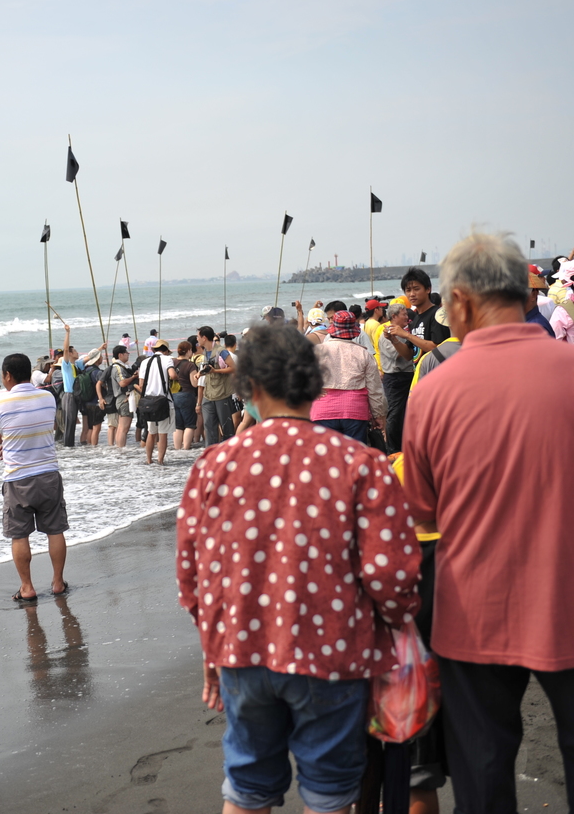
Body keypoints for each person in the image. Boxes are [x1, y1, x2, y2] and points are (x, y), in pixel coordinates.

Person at [405, 233, 574, 813]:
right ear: (524, 296)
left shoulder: (433, 390)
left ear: (460, 302)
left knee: (482, 764)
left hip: (473, 609)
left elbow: (424, 512)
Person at [177, 323, 420, 814]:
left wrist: (214, 638)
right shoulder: (360, 463)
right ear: (314, 384)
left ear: (249, 388)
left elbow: (192, 574)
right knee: (330, 791)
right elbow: (391, 575)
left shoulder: (214, 465)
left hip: (243, 650)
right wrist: (396, 624)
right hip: (334, 652)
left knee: (246, 786)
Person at [0, 352, 70, 602]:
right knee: (55, 530)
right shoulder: (47, 397)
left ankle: (27, 587)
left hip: (18, 478)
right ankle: (58, 582)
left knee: (19, 535)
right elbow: (47, 426)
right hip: (49, 474)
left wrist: (7, 442)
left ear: (8, 375)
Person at [309, 309, 387, 446]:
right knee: (354, 454)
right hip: (355, 412)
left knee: (327, 454)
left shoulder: (317, 351)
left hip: (322, 411)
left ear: (332, 329)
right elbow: (374, 390)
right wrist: (378, 415)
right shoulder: (364, 354)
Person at [58, 325, 105, 448]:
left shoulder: (77, 364)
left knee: (73, 422)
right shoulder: (66, 365)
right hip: (69, 395)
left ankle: (73, 446)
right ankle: (68, 447)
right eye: (75, 351)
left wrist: (101, 348)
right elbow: (65, 349)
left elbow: (91, 356)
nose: (77, 352)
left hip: (76, 396)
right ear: (70, 353)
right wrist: (67, 333)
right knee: (69, 422)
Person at [379, 302, 415, 454]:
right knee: (395, 413)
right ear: (394, 316)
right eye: (404, 314)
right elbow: (401, 354)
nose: (407, 317)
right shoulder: (387, 334)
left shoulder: (404, 332)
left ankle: (404, 445)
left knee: (406, 412)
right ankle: (393, 449)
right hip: (395, 378)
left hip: (407, 376)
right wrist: (408, 340)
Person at [137, 340, 177, 465]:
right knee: (163, 433)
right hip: (163, 401)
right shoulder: (168, 359)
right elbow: (172, 375)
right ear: (166, 351)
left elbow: (141, 384)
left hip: (148, 402)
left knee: (151, 433)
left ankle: (149, 460)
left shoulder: (145, 362)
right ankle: (160, 461)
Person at [197, 325, 237, 446]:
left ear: (204, 338)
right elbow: (208, 368)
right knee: (209, 427)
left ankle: (229, 452)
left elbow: (233, 368)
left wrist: (215, 371)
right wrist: (200, 373)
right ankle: (211, 453)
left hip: (221, 395)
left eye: (198, 337)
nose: (197, 339)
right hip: (208, 394)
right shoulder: (205, 351)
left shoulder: (221, 351)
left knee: (226, 427)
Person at [399, 268, 450, 353]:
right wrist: (393, 340)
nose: (412, 294)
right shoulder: (415, 318)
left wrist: (407, 335)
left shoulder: (438, 315)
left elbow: (438, 348)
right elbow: (409, 354)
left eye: (416, 289)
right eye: (408, 290)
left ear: (428, 289)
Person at [101, 344, 135, 447]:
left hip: (120, 399)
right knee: (123, 428)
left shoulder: (120, 367)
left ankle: (118, 449)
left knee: (121, 428)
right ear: (120, 355)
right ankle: (121, 449)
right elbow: (122, 383)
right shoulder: (118, 368)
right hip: (123, 398)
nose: (128, 354)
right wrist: (133, 377)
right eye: (126, 353)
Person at [172, 340, 200, 450]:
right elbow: (194, 384)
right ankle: (186, 449)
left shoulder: (172, 362)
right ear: (188, 351)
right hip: (187, 395)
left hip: (174, 395)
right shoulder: (190, 365)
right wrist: (199, 376)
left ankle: (177, 449)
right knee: (189, 424)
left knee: (178, 426)